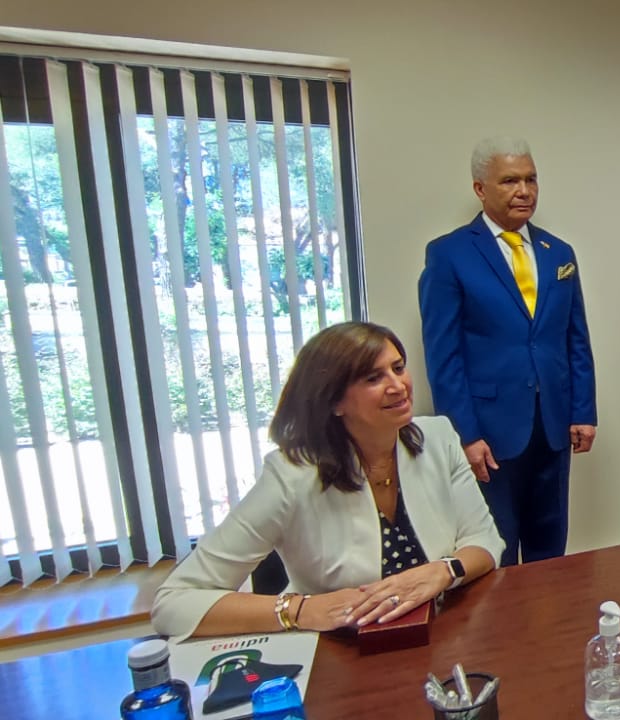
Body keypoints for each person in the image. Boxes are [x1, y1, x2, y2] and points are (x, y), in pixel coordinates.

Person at [151, 322, 502, 641]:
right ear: (334, 401)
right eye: (373, 378)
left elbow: (484, 539)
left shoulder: (438, 437)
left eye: (398, 368)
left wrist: (444, 571)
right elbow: (173, 603)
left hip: (446, 633)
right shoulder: (289, 475)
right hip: (342, 652)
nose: (398, 386)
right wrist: (301, 609)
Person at [418, 137, 597, 565]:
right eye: (510, 181)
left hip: (553, 424)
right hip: (490, 432)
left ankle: (550, 610)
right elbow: (443, 355)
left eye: (531, 180)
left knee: (550, 547)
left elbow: (575, 338)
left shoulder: (559, 252)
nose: (524, 191)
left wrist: (583, 411)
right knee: (494, 550)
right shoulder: (449, 254)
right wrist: (465, 434)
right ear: (480, 189)